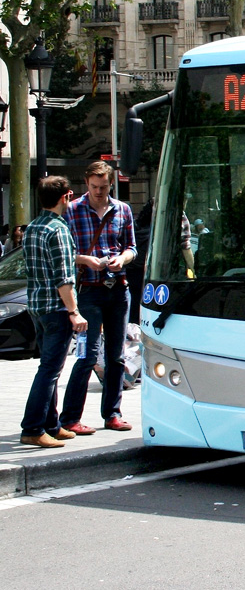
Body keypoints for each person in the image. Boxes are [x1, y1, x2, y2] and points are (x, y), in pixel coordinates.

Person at [60, 161, 137, 434]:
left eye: (103, 187)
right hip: (88, 291)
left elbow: (132, 248)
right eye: (94, 187)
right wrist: (86, 260)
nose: (98, 192)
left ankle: (112, 414)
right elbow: (63, 253)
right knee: (86, 355)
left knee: (116, 356)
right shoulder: (72, 211)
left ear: (111, 183)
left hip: (118, 289)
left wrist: (122, 258)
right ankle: (69, 418)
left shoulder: (123, 210)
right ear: (86, 184)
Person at [19, 176, 89, 448]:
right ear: (67, 196)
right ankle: (33, 427)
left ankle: (51, 424)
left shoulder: (32, 228)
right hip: (56, 309)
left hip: (36, 307)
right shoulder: (57, 230)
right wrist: (74, 312)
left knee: (49, 368)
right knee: (49, 370)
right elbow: (64, 278)